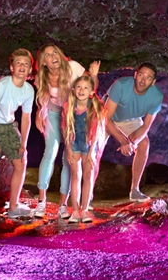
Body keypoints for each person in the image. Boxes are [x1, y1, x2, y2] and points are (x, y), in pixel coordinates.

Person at [32, 44, 99, 218]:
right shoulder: (42, 77)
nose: (53, 56)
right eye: (47, 55)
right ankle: (41, 201)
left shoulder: (73, 67)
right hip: (55, 113)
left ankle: (63, 204)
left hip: (73, 115)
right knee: (51, 151)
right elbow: (42, 98)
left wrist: (93, 74)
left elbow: (91, 86)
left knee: (69, 158)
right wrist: (40, 112)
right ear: (43, 62)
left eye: (55, 52)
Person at [0, 49, 36, 219]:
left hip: (9, 125)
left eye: (26, 64)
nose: (22, 66)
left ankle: (14, 205)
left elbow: (26, 118)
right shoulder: (2, 84)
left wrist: (23, 143)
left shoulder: (28, 90)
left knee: (21, 161)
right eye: (18, 63)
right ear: (11, 67)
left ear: (30, 70)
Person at [98, 63, 163, 201]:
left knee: (144, 143)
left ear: (153, 82)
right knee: (94, 150)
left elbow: (145, 126)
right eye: (141, 75)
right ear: (135, 75)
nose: (142, 80)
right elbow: (106, 118)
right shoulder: (121, 85)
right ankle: (84, 193)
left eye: (148, 77)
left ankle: (135, 190)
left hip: (129, 119)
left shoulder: (156, 97)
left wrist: (132, 143)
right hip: (105, 116)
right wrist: (123, 141)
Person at [62, 74, 103, 223]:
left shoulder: (95, 106)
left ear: (91, 91)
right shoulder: (68, 106)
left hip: (89, 143)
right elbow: (65, 128)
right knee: (75, 175)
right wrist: (69, 149)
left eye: (86, 87)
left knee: (88, 175)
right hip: (74, 142)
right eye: (79, 87)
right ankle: (75, 210)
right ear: (73, 89)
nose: (81, 90)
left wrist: (92, 151)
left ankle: (85, 209)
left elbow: (96, 130)